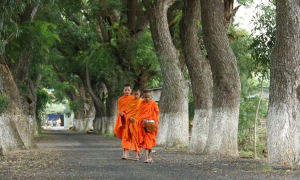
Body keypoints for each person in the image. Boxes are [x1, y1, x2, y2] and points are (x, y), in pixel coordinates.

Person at [135, 90, 159, 163]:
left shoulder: (153, 103)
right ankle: (147, 157)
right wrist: (142, 120)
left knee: (150, 142)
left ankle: (149, 157)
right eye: (145, 97)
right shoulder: (141, 104)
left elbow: (157, 112)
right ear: (143, 97)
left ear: (150, 97)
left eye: (148, 97)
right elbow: (139, 115)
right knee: (146, 141)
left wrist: (156, 121)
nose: (147, 99)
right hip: (144, 126)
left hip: (151, 125)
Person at [113, 84, 134, 159]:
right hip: (123, 120)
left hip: (130, 120)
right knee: (125, 137)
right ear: (123, 90)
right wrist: (121, 113)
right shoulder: (120, 99)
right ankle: (124, 154)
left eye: (128, 90)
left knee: (129, 137)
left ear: (131, 90)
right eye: (125, 90)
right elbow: (119, 109)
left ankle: (127, 154)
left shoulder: (133, 99)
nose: (127, 91)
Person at [123, 88, 143, 161]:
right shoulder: (130, 102)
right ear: (133, 94)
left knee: (137, 139)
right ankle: (136, 154)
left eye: (137, 94)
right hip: (131, 122)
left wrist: (137, 119)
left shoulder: (141, 101)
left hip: (138, 123)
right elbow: (127, 112)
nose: (136, 96)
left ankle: (137, 155)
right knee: (133, 138)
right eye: (135, 94)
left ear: (140, 94)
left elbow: (143, 112)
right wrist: (130, 117)